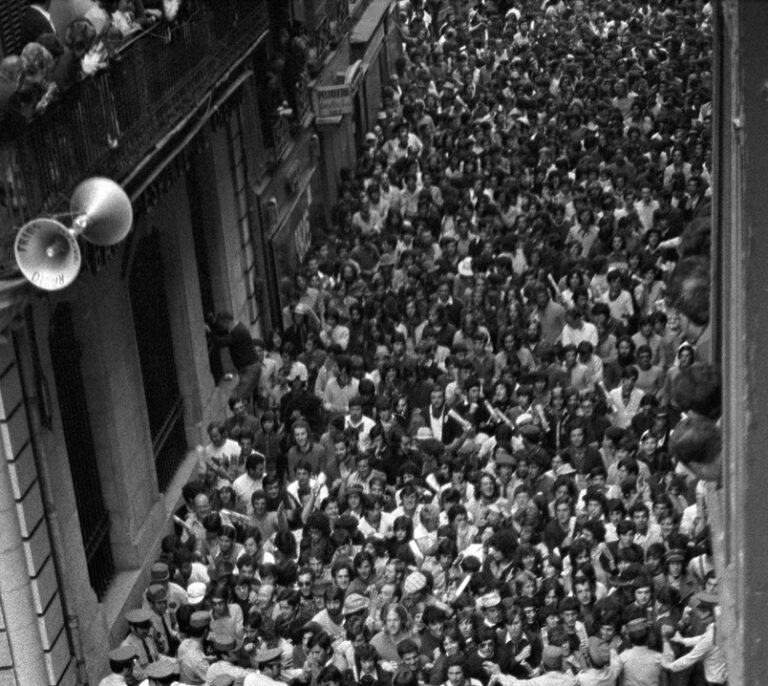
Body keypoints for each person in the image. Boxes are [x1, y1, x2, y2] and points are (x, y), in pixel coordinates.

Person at [211, 312, 262, 406]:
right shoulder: (237, 328)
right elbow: (223, 333)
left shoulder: (238, 332)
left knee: (237, 400)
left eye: (222, 325)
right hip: (247, 369)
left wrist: (209, 332)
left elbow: (221, 342)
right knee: (241, 399)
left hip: (250, 369)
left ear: (226, 322)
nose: (222, 328)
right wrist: (213, 324)